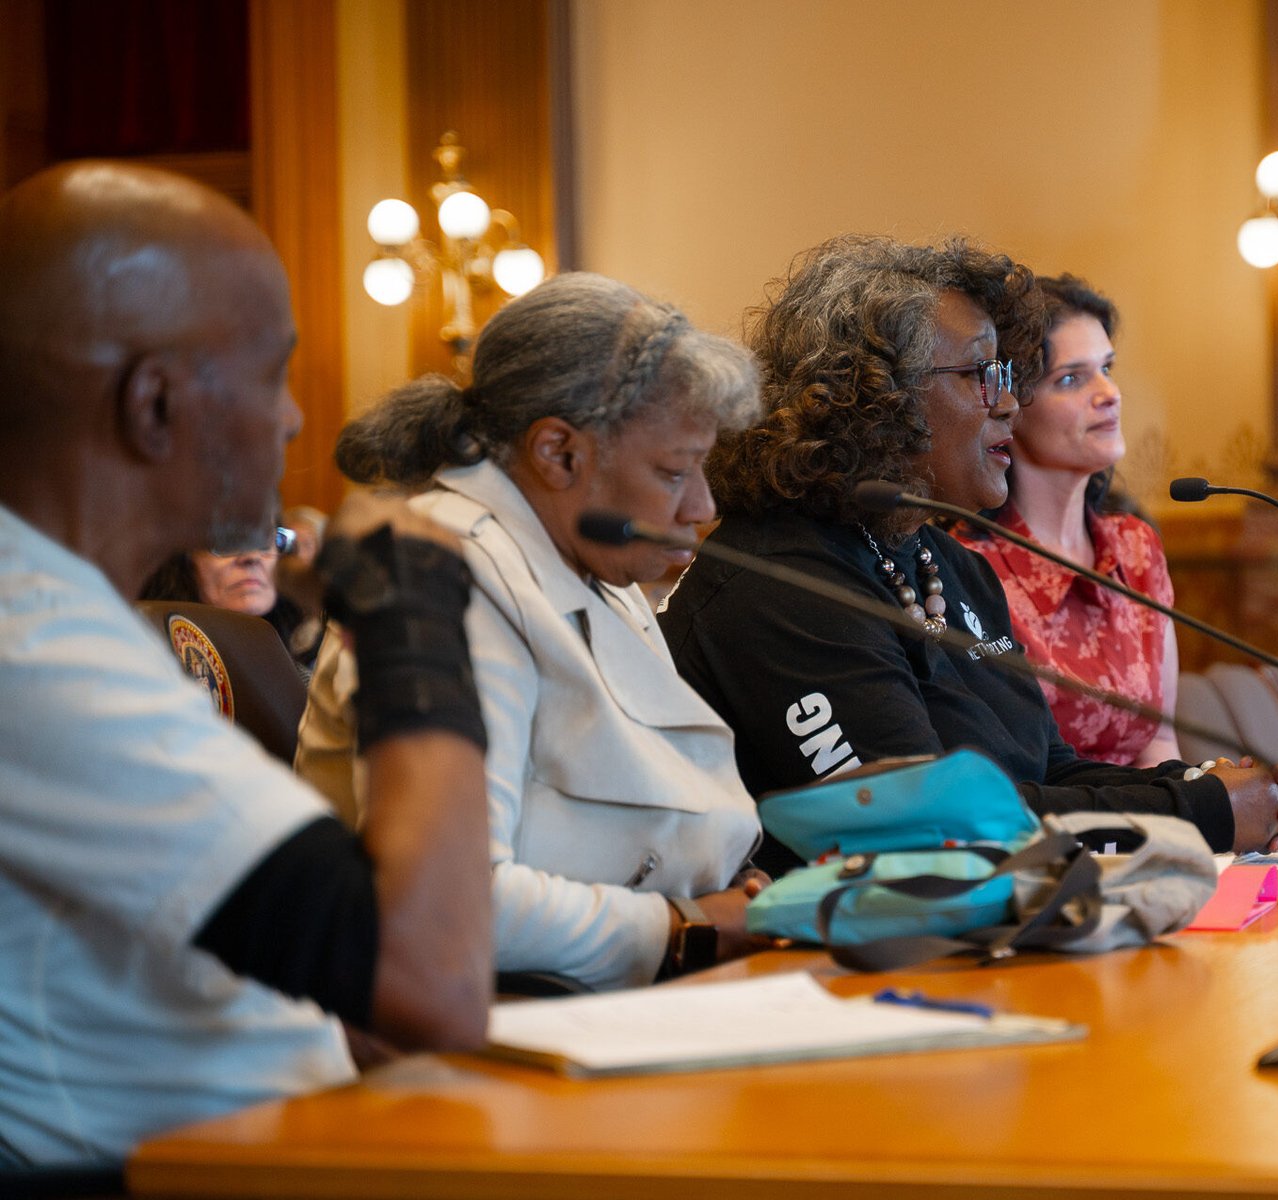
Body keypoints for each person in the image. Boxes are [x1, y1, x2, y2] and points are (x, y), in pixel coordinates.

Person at [0, 161, 494, 1168]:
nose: (294, 422)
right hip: (193, 1174)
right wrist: (412, 625)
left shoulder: (65, 612)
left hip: (285, 1136)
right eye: (273, 374)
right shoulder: (33, 645)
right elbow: (434, 979)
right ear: (155, 406)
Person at [657, 235, 1278, 873]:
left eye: (1009, 376)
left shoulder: (944, 561)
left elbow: (1049, 766)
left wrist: (1199, 782)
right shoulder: (782, 586)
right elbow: (936, 835)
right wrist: (1200, 813)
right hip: (832, 966)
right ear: (875, 398)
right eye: (979, 375)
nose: (1009, 404)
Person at [296, 272, 770, 992]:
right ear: (559, 452)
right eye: (675, 471)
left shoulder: (591, 558)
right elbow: (460, 901)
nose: (701, 505)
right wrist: (694, 926)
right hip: (493, 1027)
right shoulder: (448, 577)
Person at [952, 274, 1180, 766]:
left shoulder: (1136, 549)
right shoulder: (965, 569)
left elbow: (1158, 748)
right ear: (1010, 406)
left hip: (1154, 831)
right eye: (1071, 379)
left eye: (1107, 368)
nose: (1110, 393)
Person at [139, 539, 325, 673]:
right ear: (183, 563)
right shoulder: (148, 661)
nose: (251, 557)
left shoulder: (311, 662)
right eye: (225, 544)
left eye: (264, 540)